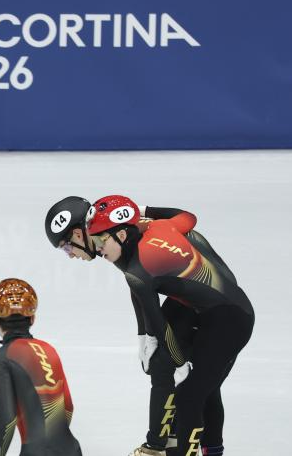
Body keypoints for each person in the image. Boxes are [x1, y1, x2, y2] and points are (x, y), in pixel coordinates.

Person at [85, 195, 254, 456]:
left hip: (228, 322)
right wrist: (139, 210)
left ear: (120, 234)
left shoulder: (139, 273)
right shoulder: (159, 227)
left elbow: (162, 331)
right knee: (206, 391)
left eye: (99, 240)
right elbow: (188, 216)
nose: (97, 249)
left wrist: (178, 363)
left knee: (189, 396)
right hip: (226, 310)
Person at [46, 197, 198, 456]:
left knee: (166, 362)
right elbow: (137, 285)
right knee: (165, 362)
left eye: (65, 248)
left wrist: (142, 210)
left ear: (78, 234)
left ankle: (158, 447)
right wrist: (144, 335)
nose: (70, 256)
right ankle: (170, 439)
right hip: (187, 291)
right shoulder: (111, 237)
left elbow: (186, 218)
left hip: (200, 294)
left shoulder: (117, 234)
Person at [0, 278, 82, 456]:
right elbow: (68, 406)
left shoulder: (0, 358)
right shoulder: (49, 349)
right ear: (32, 319)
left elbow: (8, 419)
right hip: (71, 449)